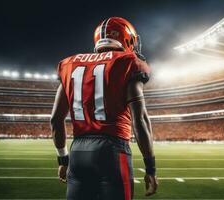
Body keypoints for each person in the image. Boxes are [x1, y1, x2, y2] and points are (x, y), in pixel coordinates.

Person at [50, 17, 158, 200]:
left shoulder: (69, 64)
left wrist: (63, 159)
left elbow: (55, 119)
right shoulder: (128, 61)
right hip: (112, 151)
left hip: (78, 153)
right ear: (128, 38)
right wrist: (150, 168)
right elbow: (140, 120)